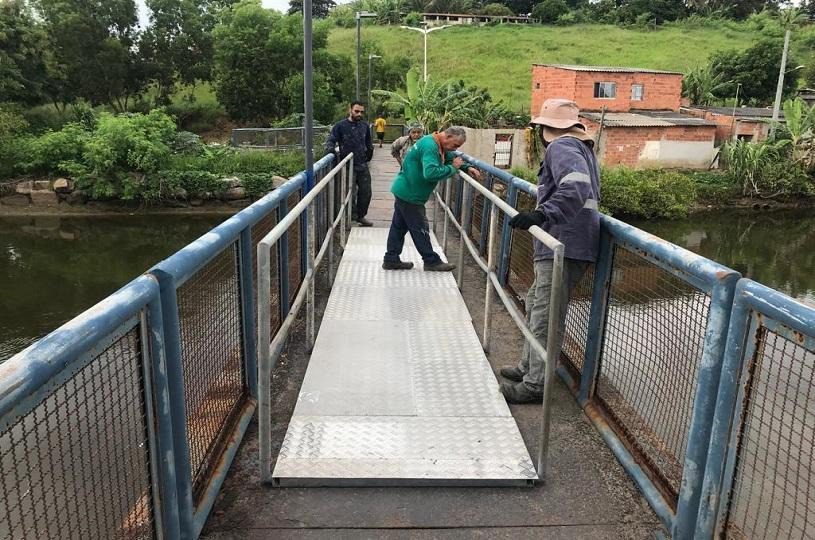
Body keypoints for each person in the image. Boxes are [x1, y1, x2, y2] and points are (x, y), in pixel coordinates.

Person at [499, 99, 601, 404]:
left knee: (545, 315)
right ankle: (528, 366)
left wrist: (543, 214)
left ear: (545, 128)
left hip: (563, 242)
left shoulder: (561, 147)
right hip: (568, 241)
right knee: (536, 303)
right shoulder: (578, 148)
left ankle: (535, 385)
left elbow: (576, 188)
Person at [383, 126, 482, 272]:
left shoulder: (436, 142)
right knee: (420, 229)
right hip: (411, 194)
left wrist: (466, 167)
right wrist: (454, 168)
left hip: (405, 189)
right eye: (455, 145)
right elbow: (430, 173)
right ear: (447, 137)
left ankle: (391, 259)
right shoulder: (430, 146)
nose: (455, 149)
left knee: (399, 227)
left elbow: (450, 158)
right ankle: (431, 261)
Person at [325, 101, 375, 227]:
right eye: (356, 111)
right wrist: (330, 151)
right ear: (350, 110)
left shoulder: (364, 126)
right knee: (349, 193)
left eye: (361, 112)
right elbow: (331, 140)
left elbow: (369, 143)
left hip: (362, 164)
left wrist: (369, 154)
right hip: (347, 165)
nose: (359, 114)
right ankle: (350, 219)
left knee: (366, 192)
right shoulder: (340, 126)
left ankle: (361, 216)